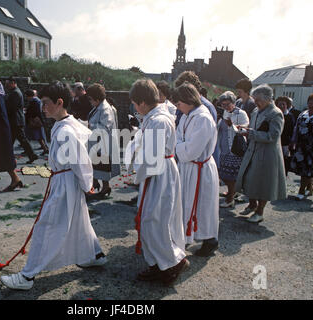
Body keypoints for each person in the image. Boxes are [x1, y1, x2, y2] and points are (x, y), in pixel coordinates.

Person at [0, 81, 107, 290]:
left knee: (46, 227)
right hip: (65, 179)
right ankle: (95, 254)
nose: (42, 107)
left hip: (65, 183)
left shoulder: (66, 129)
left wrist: (87, 184)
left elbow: (79, 160)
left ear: (59, 103)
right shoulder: (68, 123)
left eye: (46, 103)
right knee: (79, 220)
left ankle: (27, 276)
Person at [126, 78, 188, 285]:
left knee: (155, 221)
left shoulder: (158, 121)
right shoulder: (155, 117)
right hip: (159, 172)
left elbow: (151, 159)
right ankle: (158, 263)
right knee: (153, 220)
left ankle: (171, 263)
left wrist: (137, 173)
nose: (135, 108)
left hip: (159, 174)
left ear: (142, 102)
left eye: (135, 103)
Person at [173, 83, 220, 257]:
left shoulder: (203, 118)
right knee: (186, 203)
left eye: (179, 104)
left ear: (188, 100)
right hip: (188, 167)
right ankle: (186, 236)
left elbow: (193, 150)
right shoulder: (187, 115)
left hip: (200, 168)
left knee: (203, 206)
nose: (178, 108)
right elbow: (178, 137)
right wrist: (180, 146)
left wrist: (179, 146)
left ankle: (210, 240)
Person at [235, 84, 287, 223]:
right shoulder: (256, 111)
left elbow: (273, 136)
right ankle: (252, 205)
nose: (256, 102)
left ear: (268, 99)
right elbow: (254, 128)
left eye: (259, 100)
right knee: (248, 178)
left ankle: (260, 211)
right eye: (255, 99)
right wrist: (245, 129)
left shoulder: (275, 113)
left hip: (267, 154)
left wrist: (250, 133)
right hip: (253, 150)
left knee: (264, 183)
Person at [86, 83, 120, 198]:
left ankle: (104, 187)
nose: (90, 101)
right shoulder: (99, 106)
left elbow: (105, 126)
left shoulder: (105, 109)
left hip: (103, 142)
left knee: (102, 165)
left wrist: (89, 125)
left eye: (91, 99)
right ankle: (98, 184)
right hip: (98, 142)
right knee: (98, 164)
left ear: (97, 98)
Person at [217, 91, 249, 208]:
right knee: (225, 175)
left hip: (235, 149)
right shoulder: (224, 113)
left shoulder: (241, 113)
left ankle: (230, 197)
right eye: (223, 104)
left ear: (233, 102)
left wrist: (232, 126)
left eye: (227, 104)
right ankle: (231, 192)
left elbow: (245, 131)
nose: (225, 107)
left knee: (232, 176)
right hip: (224, 148)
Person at [5, 77, 39, 164]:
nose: (6, 85)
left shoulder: (15, 93)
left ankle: (32, 154)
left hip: (15, 120)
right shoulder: (15, 92)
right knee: (12, 140)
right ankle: (8, 157)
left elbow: (11, 107)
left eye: (8, 83)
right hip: (15, 120)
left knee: (21, 139)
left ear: (13, 83)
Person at [275, 96, 296, 176]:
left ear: (287, 105)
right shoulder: (274, 115)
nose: (281, 106)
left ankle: (284, 176)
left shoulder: (290, 116)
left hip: (286, 143)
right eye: (279, 104)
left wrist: (292, 142)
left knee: (285, 160)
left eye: (283, 104)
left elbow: (293, 130)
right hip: (276, 141)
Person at [24, 89, 49, 155]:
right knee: (38, 137)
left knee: (38, 137)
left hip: (34, 121)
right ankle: (45, 149)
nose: (26, 98)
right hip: (35, 121)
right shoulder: (35, 101)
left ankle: (45, 149)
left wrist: (27, 113)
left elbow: (34, 112)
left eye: (26, 96)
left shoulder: (35, 101)